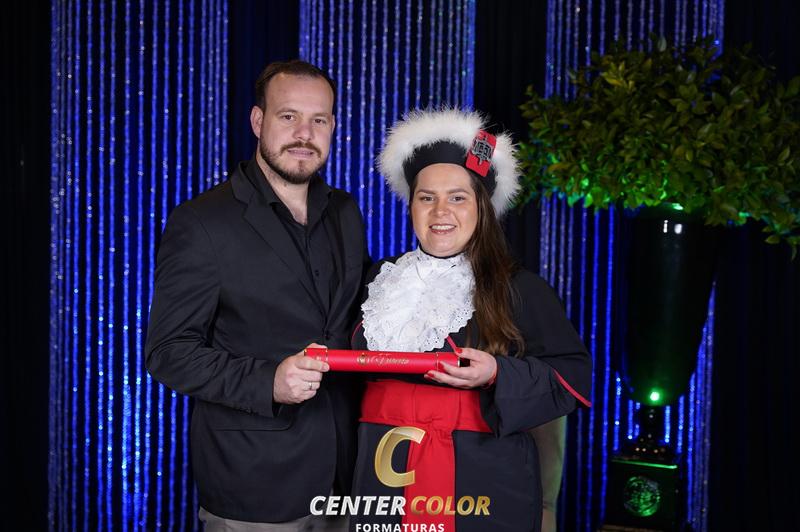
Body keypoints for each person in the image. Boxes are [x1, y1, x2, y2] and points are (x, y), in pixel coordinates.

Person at [145, 60, 369, 531]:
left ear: (333, 126)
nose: (304, 134)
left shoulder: (346, 211)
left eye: (319, 120)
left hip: (347, 480)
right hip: (255, 484)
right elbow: (168, 352)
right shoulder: (202, 222)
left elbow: (358, 316)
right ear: (257, 120)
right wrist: (269, 382)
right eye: (289, 116)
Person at [349, 109, 592, 532]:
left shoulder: (521, 288)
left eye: (457, 197)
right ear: (412, 205)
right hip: (381, 470)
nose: (440, 211)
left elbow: (573, 377)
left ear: (482, 206)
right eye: (427, 197)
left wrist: (499, 372)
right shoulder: (378, 279)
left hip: (482, 482)